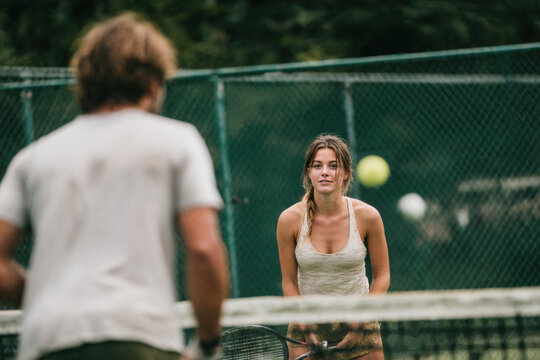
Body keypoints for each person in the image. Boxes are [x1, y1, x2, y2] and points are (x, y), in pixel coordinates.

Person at [0, 13, 229, 360]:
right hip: (138, 336)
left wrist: (43, 298)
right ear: (153, 84)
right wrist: (208, 344)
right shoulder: (178, 142)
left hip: (44, 342)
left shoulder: (32, 158)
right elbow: (203, 248)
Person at [277, 134, 390, 360]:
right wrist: (306, 325)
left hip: (360, 321)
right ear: (309, 172)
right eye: (317, 166)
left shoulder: (368, 216)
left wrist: (360, 322)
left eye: (333, 166)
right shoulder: (289, 220)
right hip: (306, 322)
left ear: (346, 173)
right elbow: (289, 282)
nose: (325, 172)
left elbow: (383, 276)